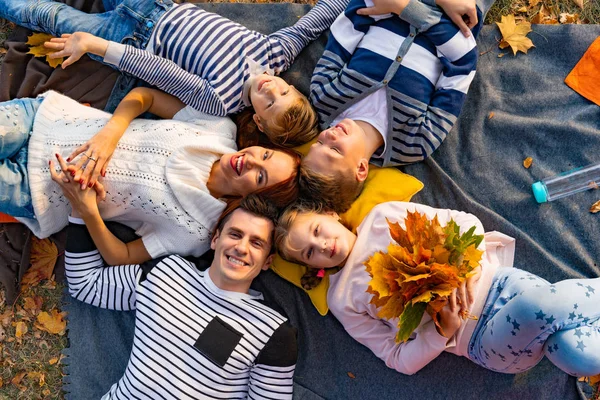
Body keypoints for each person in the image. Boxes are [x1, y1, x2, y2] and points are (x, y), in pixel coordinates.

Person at [274, 201, 600, 377]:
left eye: (317, 230)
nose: (322, 244)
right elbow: (397, 358)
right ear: (312, 266)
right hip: (482, 339)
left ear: (330, 214)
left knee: (571, 351)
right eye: (308, 252)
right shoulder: (342, 299)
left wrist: (464, 270)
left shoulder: (381, 216)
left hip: (504, 282)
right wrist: (443, 331)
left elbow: (464, 221)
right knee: (535, 307)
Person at [0, 87, 301, 265]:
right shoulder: (220, 129)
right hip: (47, 121)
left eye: (260, 177)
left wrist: (87, 209)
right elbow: (144, 97)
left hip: (35, 189)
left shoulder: (196, 233)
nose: (250, 162)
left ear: (253, 200)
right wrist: (111, 134)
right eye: (264, 155)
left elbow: (121, 256)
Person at [0, 0, 348, 147]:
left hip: (126, 38)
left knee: (46, 14)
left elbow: (160, 71)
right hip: (155, 7)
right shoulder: (276, 54)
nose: (272, 90)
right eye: (285, 92)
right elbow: (309, 27)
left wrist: (94, 45)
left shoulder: (219, 100)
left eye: (269, 104)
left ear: (257, 120)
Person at [63, 189, 298, 399]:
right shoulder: (166, 272)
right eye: (235, 234)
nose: (241, 247)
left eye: (257, 243)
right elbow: (85, 284)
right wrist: (80, 209)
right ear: (216, 239)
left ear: (267, 261)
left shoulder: (273, 332)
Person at [301, 0, 494, 213]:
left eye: (319, 142)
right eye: (335, 150)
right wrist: (405, 8)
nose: (329, 136)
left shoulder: (324, 97)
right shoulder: (415, 143)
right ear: (362, 168)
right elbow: (463, 62)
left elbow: (354, 16)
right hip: (458, 16)